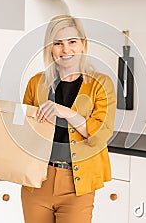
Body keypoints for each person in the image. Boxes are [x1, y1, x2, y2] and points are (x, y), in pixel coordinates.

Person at [21, 15, 116, 223]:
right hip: (36, 183)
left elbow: (99, 136)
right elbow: (24, 134)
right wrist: (5, 168)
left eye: (72, 42)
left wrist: (66, 112)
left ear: (83, 44)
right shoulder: (36, 83)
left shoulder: (101, 84)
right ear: (50, 48)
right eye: (58, 44)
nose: (66, 50)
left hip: (77, 186)